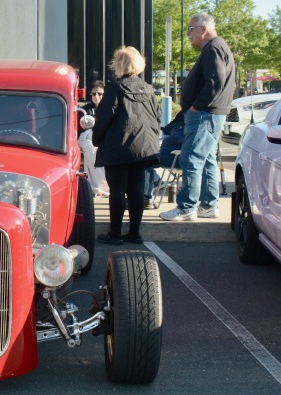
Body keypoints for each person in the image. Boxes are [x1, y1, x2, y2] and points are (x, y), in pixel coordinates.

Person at [160, 13, 235, 221]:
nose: (188, 34)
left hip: (204, 114)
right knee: (207, 158)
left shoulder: (213, 48)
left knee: (191, 157)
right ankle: (208, 205)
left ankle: (186, 207)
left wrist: (196, 106)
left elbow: (215, 82)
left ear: (204, 29)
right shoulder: (216, 47)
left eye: (191, 29)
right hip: (209, 114)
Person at [92, 46, 161, 245]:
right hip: (144, 146)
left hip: (119, 145)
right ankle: (134, 233)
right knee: (136, 188)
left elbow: (104, 117)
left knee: (117, 189)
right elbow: (156, 117)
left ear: (118, 65)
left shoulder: (115, 88)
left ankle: (115, 234)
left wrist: (97, 139)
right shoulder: (148, 88)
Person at [144, 110, 185, 209]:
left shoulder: (194, 120)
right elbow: (168, 128)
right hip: (168, 150)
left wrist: (173, 132)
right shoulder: (185, 114)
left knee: (144, 160)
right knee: (141, 156)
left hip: (176, 155)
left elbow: (186, 141)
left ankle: (146, 198)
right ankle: (154, 183)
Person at [78, 80, 109, 197]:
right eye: (94, 93)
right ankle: (94, 185)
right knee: (90, 146)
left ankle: (102, 185)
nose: (97, 96)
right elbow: (79, 128)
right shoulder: (84, 110)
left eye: (100, 94)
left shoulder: (109, 109)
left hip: (103, 139)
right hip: (86, 139)